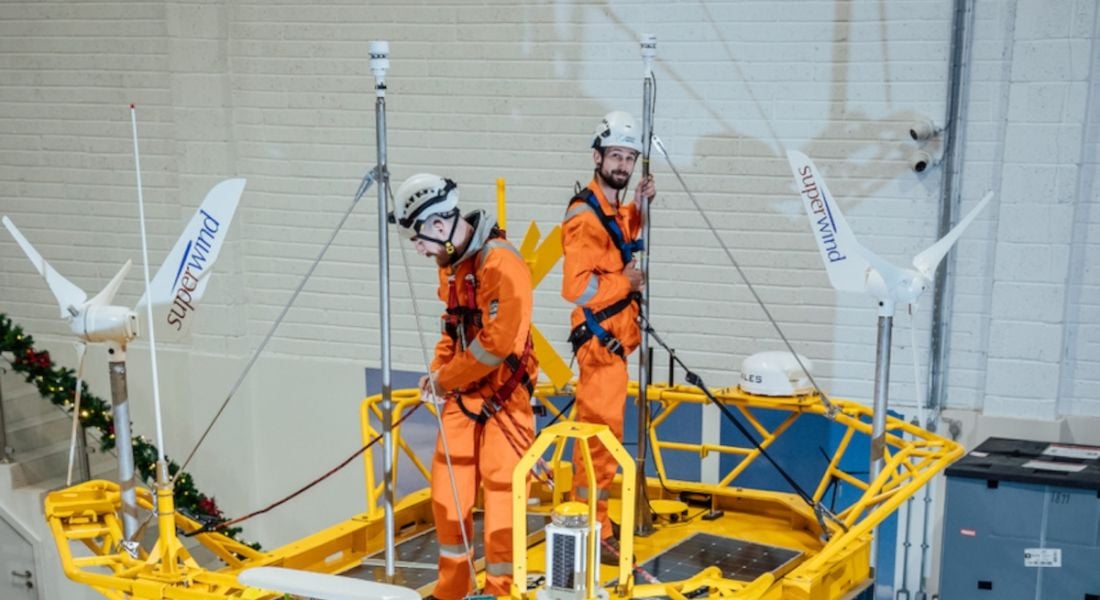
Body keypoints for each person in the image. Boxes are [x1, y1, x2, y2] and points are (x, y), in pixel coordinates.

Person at [391, 173, 538, 600]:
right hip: (463, 393)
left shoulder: (501, 265)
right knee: (447, 495)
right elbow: (452, 328)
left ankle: (500, 591)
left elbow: (497, 345)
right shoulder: (452, 266)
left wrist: (445, 378)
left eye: (419, 239)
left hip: (505, 398)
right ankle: (452, 589)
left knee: (502, 495)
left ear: (440, 226)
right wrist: (437, 370)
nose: (418, 248)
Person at [560, 111, 656, 564]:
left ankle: (594, 518)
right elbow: (576, 288)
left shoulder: (611, 206)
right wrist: (627, 286)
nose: (622, 164)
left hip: (613, 342)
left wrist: (639, 206)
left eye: (629, 157)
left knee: (602, 439)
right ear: (597, 156)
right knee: (599, 442)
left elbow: (616, 243)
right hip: (601, 345)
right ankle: (592, 530)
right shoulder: (584, 216)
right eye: (615, 155)